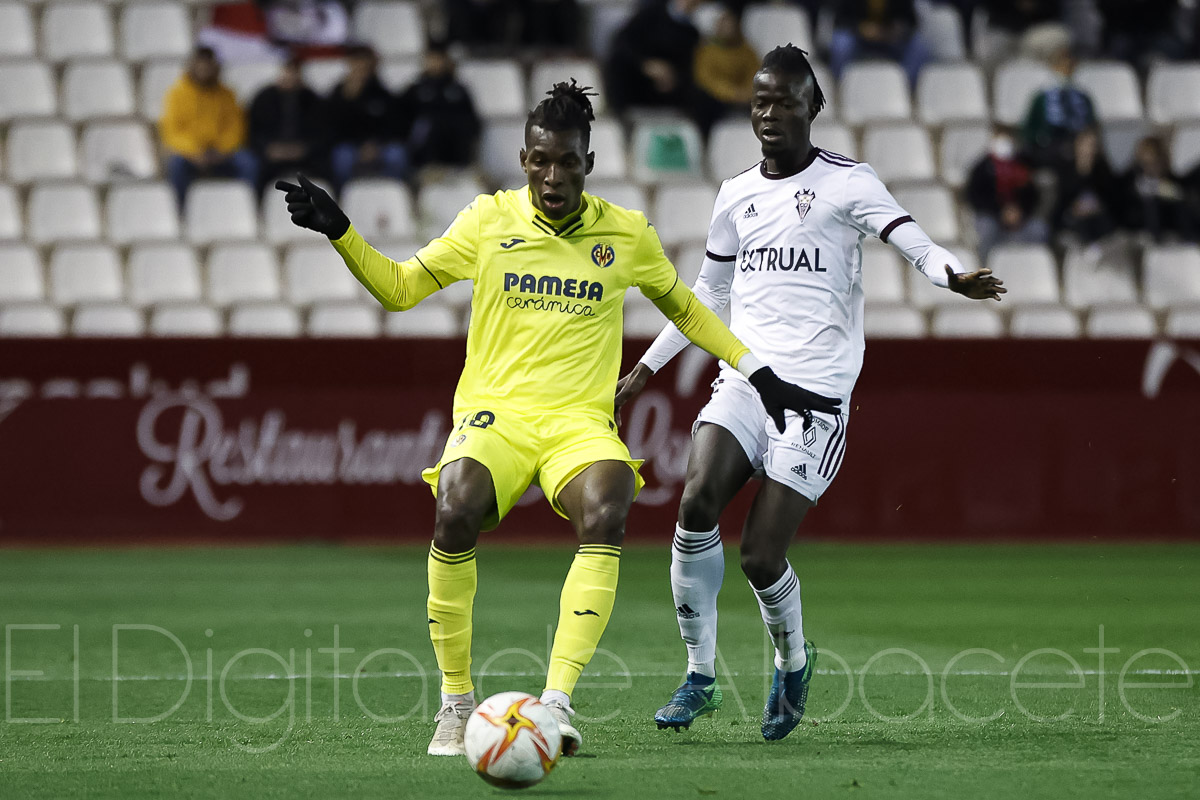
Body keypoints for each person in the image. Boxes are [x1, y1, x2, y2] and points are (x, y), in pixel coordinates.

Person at [276, 81, 841, 758]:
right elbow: (400, 291)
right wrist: (341, 230)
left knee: (608, 502)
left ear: (588, 163)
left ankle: (555, 703)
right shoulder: (487, 222)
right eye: (541, 161)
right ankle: (455, 702)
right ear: (523, 159)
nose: (553, 175)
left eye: (567, 162)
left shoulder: (625, 234)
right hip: (497, 417)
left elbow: (689, 310)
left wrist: (759, 371)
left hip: (578, 424)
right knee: (454, 506)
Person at [613, 45, 1005, 742]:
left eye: (785, 100)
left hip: (816, 396)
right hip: (745, 378)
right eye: (761, 100)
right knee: (695, 500)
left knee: (761, 556)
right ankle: (699, 677)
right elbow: (708, 295)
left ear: (813, 107)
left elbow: (910, 239)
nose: (770, 113)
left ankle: (792, 661)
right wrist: (646, 367)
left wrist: (951, 277)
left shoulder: (849, 182)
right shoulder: (735, 194)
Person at [159, 46, 257, 208]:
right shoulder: (176, 94)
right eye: (200, 66)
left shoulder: (227, 94)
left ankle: (246, 208)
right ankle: (181, 211)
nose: (204, 71)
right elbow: (172, 132)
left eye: (208, 67)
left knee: (249, 163)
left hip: (221, 154)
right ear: (193, 66)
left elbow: (235, 127)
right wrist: (194, 151)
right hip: (191, 155)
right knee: (176, 164)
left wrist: (221, 150)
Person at [606, 0, 723, 134]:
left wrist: (673, 77)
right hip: (638, 82)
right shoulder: (650, 14)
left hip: (672, 89)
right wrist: (646, 65)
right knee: (618, 65)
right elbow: (622, 43)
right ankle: (622, 127)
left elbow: (690, 68)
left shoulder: (693, 32)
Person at [326, 45, 407, 190]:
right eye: (357, 63)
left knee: (397, 155)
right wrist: (349, 100)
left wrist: (376, 145)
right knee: (342, 158)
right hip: (350, 146)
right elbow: (332, 128)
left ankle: (391, 193)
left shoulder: (382, 93)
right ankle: (342, 197)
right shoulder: (338, 94)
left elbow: (393, 125)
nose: (361, 68)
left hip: (379, 146)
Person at [248, 55, 330, 195]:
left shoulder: (313, 100)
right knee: (254, 167)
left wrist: (304, 149)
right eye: (288, 71)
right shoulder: (264, 98)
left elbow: (323, 134)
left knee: (327, 169)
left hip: (305, 155)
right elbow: (253, 131)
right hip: (271, 155)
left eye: (295, 72)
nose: (291, 77)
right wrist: (269, 149)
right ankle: (257, 209)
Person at [394, 43, 482, 170]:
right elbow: (402, 118)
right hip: (425, 151)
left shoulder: (458, 89)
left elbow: (472, 120)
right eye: (432, 59)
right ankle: (426, 165)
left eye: (439, 59)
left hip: (455, 147)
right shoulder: (415, 89)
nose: (435, 63)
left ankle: (462, 165)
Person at [965, 126, 1048, 256]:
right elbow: (974, 196)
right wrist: (1000, 212)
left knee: (1039, 229)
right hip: (992, 216)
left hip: (1019, 218)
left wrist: (1020, 211)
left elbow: (1032, 196)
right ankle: (985, 267)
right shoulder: (982, 168)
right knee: (987, 229)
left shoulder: (1023, 165)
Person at [1020, 42, 1096, 168]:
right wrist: (1041, 139)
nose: (1066, 70)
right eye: (1062, 65)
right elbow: (1029, 130)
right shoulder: (1041, 98)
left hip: (1079, 146)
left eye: (1070, 66)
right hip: (1050, 146)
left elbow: (1091, 126)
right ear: (1054, 67)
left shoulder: (1084, 97)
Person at [829, 0, 932, 87]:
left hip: (891, 39)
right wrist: (861, 28)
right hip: (859, 39)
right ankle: (839, 86)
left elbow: (910, 21)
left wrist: (897, 30)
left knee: (919, 46)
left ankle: (907, 88)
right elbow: (840, 20)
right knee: (841, 43)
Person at [1052, 127, 1120, 245]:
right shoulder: (1066, 168)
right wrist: (1083, 170)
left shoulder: (1102, 168)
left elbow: (1109, 194)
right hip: (1073, 214)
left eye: (1093, 145)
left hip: (1098, 214)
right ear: (1078, 145)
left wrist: (1091, 170)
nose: (1090, 149)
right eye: (1087, 145)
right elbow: (1065, 195)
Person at [1120, 135, 1193, 243]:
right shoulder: (1130, 183)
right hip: (1141, 235)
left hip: (1174, 237)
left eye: (1156, 162)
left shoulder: (1171, 182)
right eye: (1147, 163)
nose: (1152, 167)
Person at [693, 4, 759, 115]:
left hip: (745, 100)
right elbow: (707, 80)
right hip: (718, 101)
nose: (727, 27)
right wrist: (733, 94)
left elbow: (755, 73)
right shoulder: (707, 52)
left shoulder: (747, 50)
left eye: (730, 22)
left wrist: (746, 93)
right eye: (723, 23)